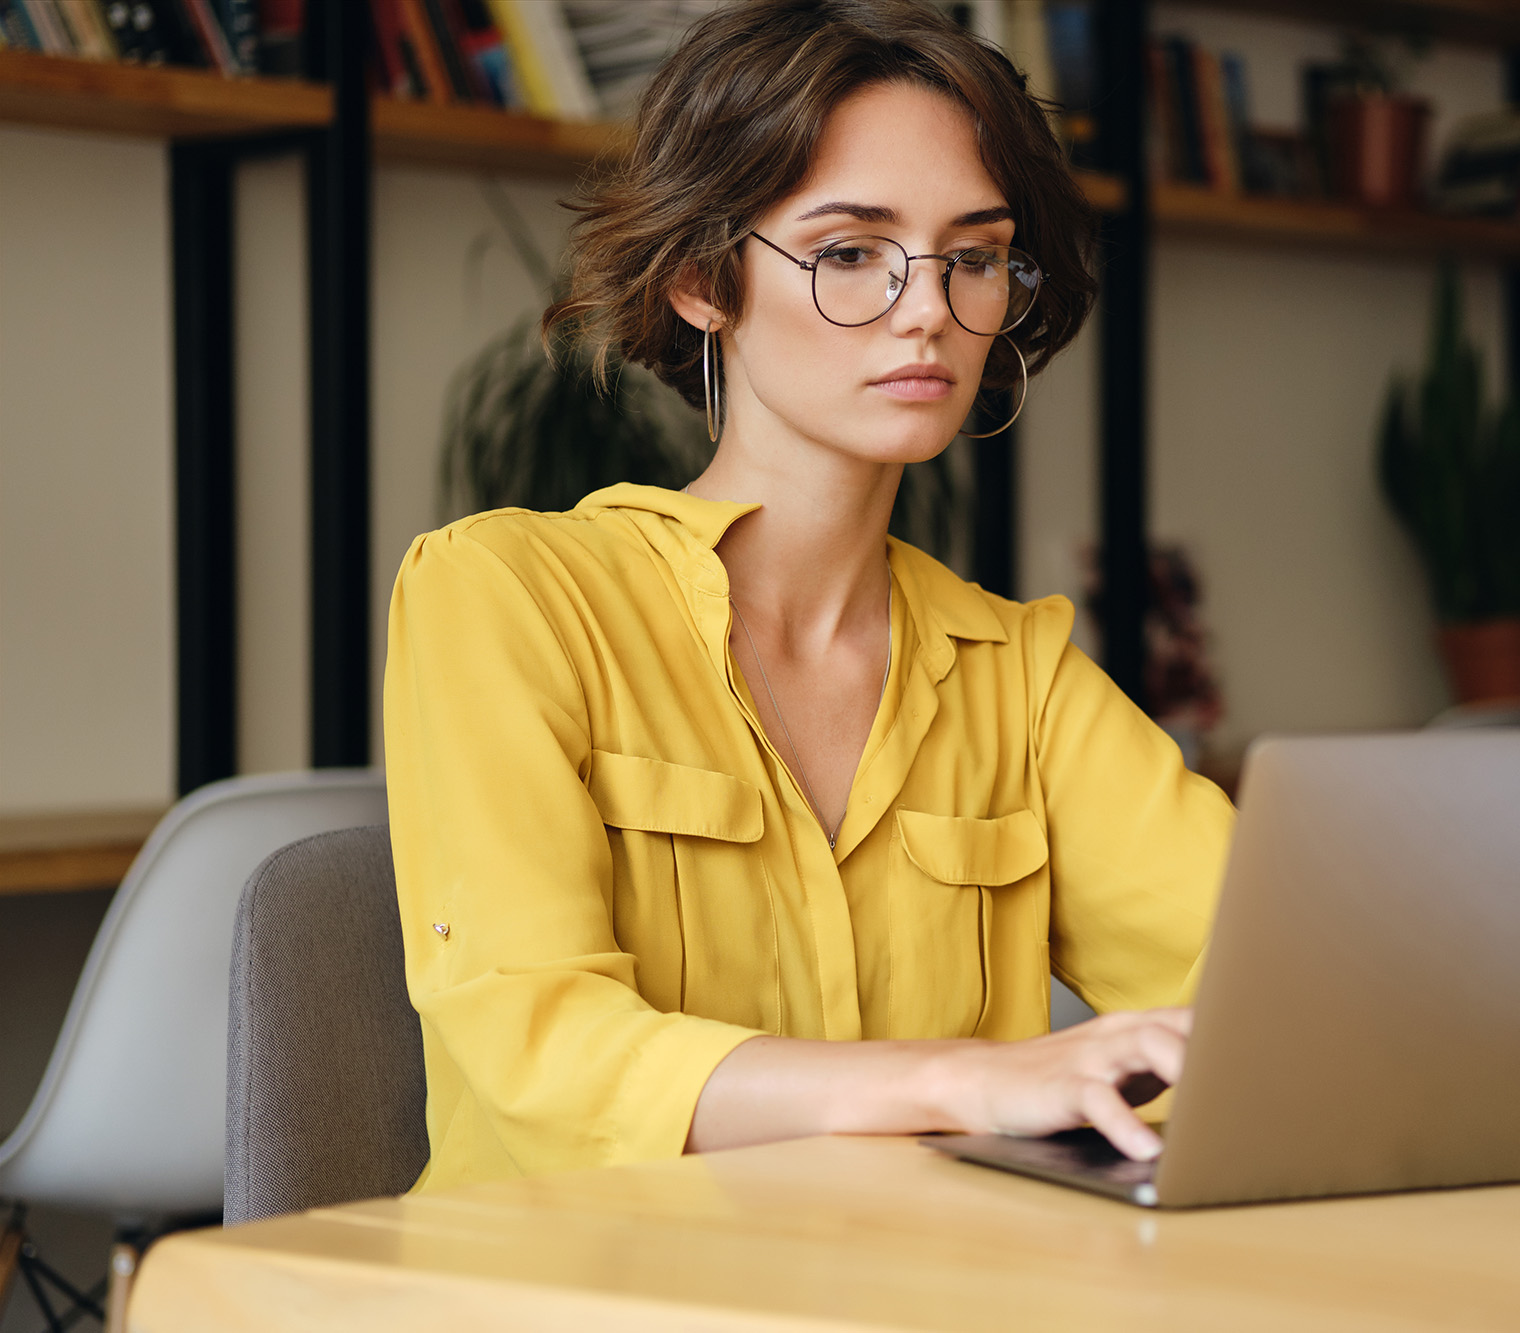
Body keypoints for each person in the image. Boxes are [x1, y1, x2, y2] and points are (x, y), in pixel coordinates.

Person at [384, 0, 1234, 1195]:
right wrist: (959, 1081)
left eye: (974, 256)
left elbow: (1272, 1004)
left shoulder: (1019, 674)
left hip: (919, 1293)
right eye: (848, 253)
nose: (929, 306)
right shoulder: (506, 597)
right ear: (700, 280)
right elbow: (544, 1051)